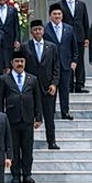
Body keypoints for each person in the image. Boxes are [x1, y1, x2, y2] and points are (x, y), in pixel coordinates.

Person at [0, 53, 42, 183]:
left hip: (28, 119)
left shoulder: (32, 79)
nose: (19, 63)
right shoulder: (4, 79)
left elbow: (37, 99)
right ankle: (15, 174)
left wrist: (38, 117)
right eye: (17, 61)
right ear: (12, 62)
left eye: (22, 61)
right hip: (11, 119)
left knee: (28, 148)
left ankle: (27, 173)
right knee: (13, 148)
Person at [22, 20, 61, 149]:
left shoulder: (52, 47)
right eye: (35, 29)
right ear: (31, 31)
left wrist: (54, 84)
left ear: (43, 31)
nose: (38, 32)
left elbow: (56, 67)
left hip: (47, 86)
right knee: (29, 116)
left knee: (49, 116)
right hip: (30, 87)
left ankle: (52, 141)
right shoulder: (25, 47)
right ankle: (28, 142)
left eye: (40, 29)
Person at [43, 3, 79, 120]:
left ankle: (65, 112)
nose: (57, 16)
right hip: (50, 65)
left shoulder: (69, 29)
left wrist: (74, 60)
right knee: (51, 89)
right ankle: (50, 112)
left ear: (62, 15)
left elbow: (74, 47)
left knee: (65, 89)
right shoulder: (45, 29)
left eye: (59, 14)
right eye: (54, 14)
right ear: (50, 16)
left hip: (65, 63)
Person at [60, 0, 90, 93]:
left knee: (80, 60)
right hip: (66, 38)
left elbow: (85, 22)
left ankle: (80, 84)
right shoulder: (60, 5)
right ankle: (69, 85)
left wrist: (87, 37)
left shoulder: (81, 5)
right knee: (67, 61)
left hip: (79, 36)